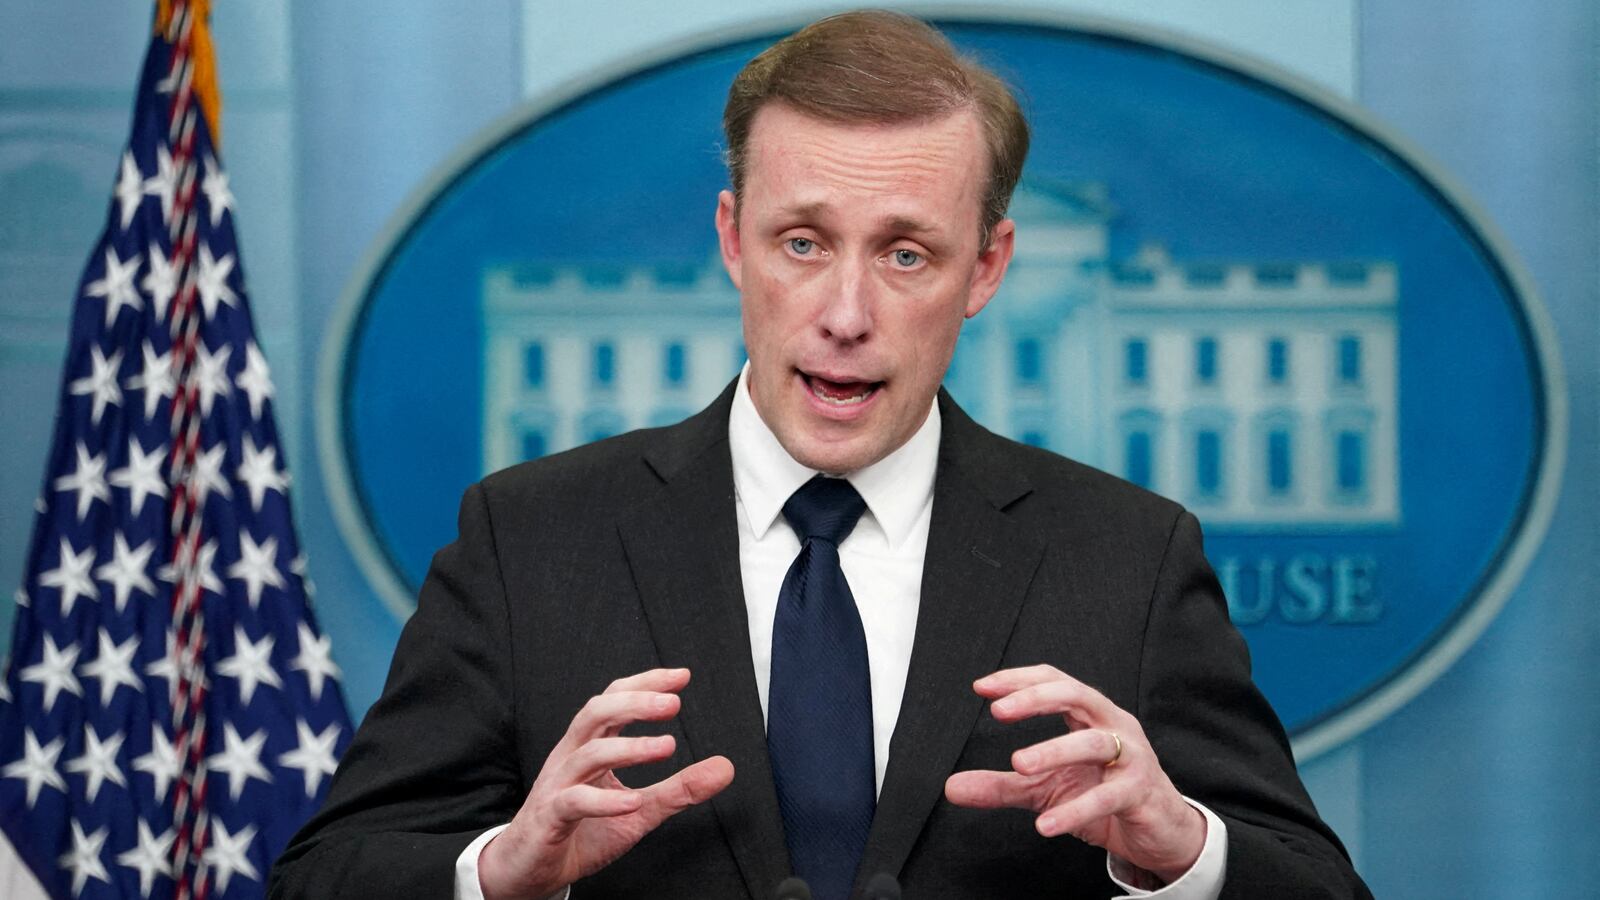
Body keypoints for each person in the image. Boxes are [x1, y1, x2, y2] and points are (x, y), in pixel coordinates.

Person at [270, 11, 1370, 900]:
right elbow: (327, 875)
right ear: (728, 239)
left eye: (904, 253)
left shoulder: (1125, 556)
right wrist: (501, 872)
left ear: (985, 271)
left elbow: (1313, 885)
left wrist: (1176, 848)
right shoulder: (531, 538)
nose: (845, 313)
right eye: (801, 242)